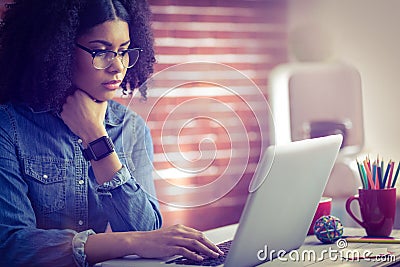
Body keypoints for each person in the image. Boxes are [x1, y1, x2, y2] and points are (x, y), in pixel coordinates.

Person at [0, 0, 223, 266]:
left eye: (124, 51)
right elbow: (11, 246)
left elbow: (147, 229)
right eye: (100, 51)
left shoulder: (131, 128)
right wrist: (129, 242)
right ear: (56, 49)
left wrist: (95, 137)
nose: (118, 66)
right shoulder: (9, 126)